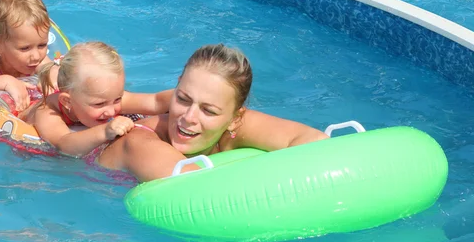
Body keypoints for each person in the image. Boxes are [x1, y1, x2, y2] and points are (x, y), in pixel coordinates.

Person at [96, 43, 329, 182]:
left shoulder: (235, 126)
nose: (188, 117)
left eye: (208, 110)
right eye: (183, 99)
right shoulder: (139, 141)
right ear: (175, 88)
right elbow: (193, 188)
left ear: (235, 118)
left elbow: (316, 142)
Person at [20, 41, 174, 157]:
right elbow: (63, 144)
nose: (111, 111)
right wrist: (105, 131)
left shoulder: (107, 99)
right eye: (99, 104)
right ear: (67, 102)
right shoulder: (47, 112)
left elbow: (155, 102)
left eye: (117, 99)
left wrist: (186, 95)